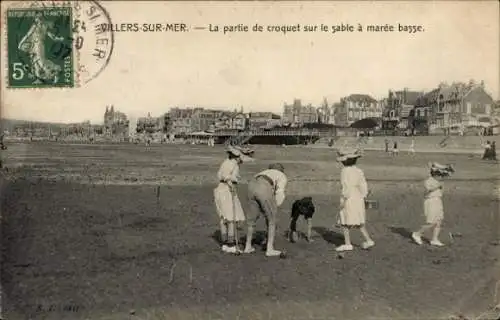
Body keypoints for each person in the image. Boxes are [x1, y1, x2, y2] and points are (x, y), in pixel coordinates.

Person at [335, 148, 375, 252]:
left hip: (349, 198)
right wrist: (364, 195)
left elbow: (346, 187)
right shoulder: (359, 170)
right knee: (359, 221)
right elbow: (363, 185)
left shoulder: (344, 171)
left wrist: (343, 200)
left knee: (345, 222)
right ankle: (368, 240)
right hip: (358, 198)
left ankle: (348, 244)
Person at [244, 163, 288, 257]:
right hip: (264, 186)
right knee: (272, 220)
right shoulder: (282, 176)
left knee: (251, 220)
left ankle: (247, 246)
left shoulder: (264, 172)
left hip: (251, 185)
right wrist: (274, 207)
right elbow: (280, 193)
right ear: (281, 170)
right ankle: (270, 249)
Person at [213, 146, 250, 253]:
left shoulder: (226, 162)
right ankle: (231, 245)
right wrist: (231, 186)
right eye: (241, 157)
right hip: (226, 190)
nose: (242, 159)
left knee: (224, 218)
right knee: (230, 219)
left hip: (220, 189)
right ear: (237, 156)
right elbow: (226, 176)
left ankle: (225, 244)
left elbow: (221, 175)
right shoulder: (232, 164)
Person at [412, 162, 454, 247]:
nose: (440, 176)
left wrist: (447, 167)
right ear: (434, 174)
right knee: (431, 222)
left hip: (438, 200)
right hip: (430, 201)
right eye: (438, 175)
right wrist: (438, 186)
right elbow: (428, 190)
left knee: (439, 221)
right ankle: (417, 234)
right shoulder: (428, 181)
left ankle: (434, 239)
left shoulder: (439, 180)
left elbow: (450, 172)